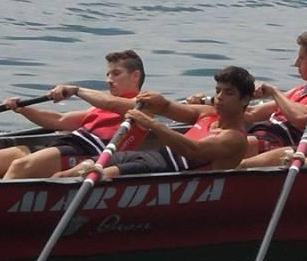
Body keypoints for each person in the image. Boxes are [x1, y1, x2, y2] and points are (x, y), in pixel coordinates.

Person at [0, 50, 152, 181]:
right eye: (108, 74)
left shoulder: (144, 105)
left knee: (20, 166)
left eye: (116, 74)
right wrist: (22, 108)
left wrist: (76, 90)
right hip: (66, 145)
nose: (109, 80)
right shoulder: (97, 108)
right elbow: (58, 120)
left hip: (91, 156)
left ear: (135, 76)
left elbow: (110, 103)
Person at [60, 66, 255, 178]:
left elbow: (193, 150)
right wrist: (158, 101)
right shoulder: (207, 113)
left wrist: (152, 124)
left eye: (228, 93)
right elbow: (167, 108)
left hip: (171, 170)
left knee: (98, 175)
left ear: (245, 100)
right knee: (69, 174)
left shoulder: (235, 138)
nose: (219, 97)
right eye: (218, 91)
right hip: (153, 156)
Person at [243, 31, 307, 155]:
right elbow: (252, 113)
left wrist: (274, 92)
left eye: (301, 58)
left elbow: (300, 118)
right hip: (264, 132)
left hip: (286, 143)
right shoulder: (302, 89)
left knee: (241, 143)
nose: (296, 63)